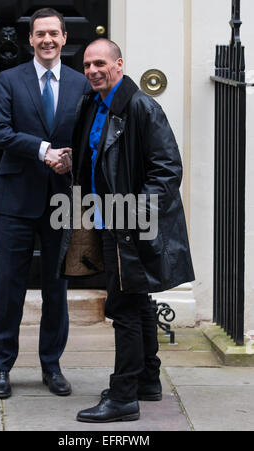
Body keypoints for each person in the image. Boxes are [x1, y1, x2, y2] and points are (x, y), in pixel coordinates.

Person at [57, 38, 195, 423]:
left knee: (123, 307)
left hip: (129, 224)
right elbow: (100, 157)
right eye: (87, 65)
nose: (92, 71)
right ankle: (147, 381)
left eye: (100, 63)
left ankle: (123, 396)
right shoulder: (93, 103)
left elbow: (167, 170)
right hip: (107, 220)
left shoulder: (141, 106)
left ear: (119, 64)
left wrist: (133, 217)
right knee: (137, 301)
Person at [0, 8, 90, 399]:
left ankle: (52, 365)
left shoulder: (81, 84)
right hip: (14, 198)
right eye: (40, 34)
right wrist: (44, 150)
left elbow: (89, 136)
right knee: (8, 285)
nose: (47, 40)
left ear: (65, 39)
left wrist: (70, 158)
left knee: (56, 287)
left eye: (54, 34)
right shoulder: (9, 79)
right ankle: (0, 367)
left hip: (61, 198)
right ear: (30, 39)